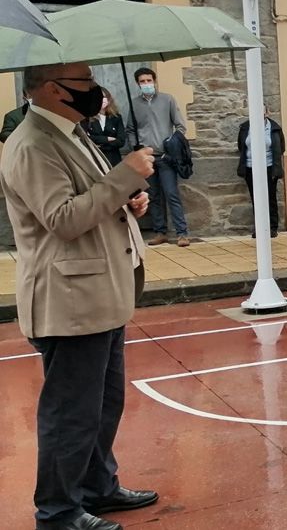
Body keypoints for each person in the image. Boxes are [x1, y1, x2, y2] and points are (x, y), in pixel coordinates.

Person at [1, 62, 159, 530]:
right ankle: (59, 512)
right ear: (52, 88)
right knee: (71, 413)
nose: (95, 90)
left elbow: (92, 197)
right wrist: (122, 178)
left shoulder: (71, 131)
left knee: (104, 404)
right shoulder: (32, 144)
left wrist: (130, 196)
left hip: (100, 294)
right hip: (70, 300)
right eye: (85, 82)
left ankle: (97, 488)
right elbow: (64, 219)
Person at [129, 68, 189, 247]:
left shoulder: (167, 99)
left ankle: (182, 233)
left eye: (149, 80)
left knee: (171, 194)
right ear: (138, 84)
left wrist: (171, 143)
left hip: (166, 157)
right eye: (142, 82)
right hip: (147, 158)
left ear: (154, 81)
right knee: (153, 195)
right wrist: (136, 147)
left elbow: (180, 126)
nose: (146, 84)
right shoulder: (134, 104)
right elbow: (130, 129)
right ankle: (160, 232)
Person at [237, 106, 285, 238]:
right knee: (255, 198)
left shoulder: (274, 128)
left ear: (267, 113)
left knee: (270, 197)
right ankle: (259, 227)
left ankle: (272, 227)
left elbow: (281, 147)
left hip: (269, 167)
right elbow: (241, 146)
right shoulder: (245, 128)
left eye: (262, 111)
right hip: (250, 167)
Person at [85, 88, 127, 168]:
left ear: (108, 99)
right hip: (96, 160)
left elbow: (121, 141)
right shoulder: (87, 118)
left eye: (103, 96)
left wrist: (100, 145)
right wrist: (107, 139)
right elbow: (87, 138)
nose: (101, 99)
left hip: (114, 160)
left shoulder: (116, 117)